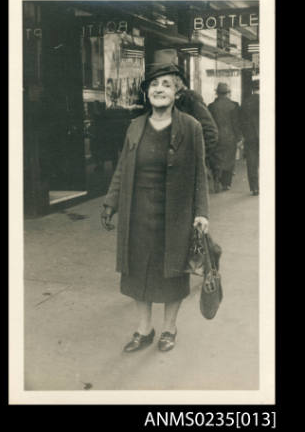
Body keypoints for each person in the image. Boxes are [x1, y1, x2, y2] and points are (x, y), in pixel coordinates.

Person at [101, 63, 209, 353]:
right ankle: (144, 328)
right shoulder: (135, 126)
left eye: (166, 84)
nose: (159, 89)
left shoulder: (191, 126)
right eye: (153, 85)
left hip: (175, 213)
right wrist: (111, 201)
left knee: (172, 271)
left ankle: (169, 328)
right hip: (137, 211)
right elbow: (123, 168)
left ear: (176, 92)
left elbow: (200, 172)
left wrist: (202, 212)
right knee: (137, 270)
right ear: (147, 92)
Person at [208, 83, 242, 191]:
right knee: (229, 159)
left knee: (217, 159)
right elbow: (236, 123)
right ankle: (226, 184)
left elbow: (209, 123)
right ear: (228, 93)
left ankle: (217, 179)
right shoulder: (234, 105)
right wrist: (239, 137)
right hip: (230, 137)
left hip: (216, 137)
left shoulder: (211, 106)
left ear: (217, 93)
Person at [240, 79, 260, 196]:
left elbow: (241, 121)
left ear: (253, 89)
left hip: (250, 136)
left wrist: (244, 135)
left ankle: (254, 188)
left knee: (252, 161)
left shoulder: (246, 102)